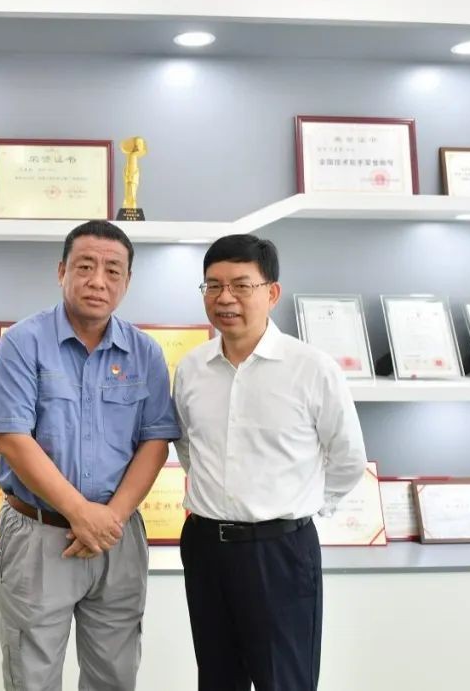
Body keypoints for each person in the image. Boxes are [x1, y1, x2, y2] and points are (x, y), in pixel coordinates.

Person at [0, 219, 179, 691]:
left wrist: (109, 518)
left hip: (117, 535)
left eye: (113, 271)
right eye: (85, 266)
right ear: (61, 271)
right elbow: (12, 438)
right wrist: (80, 514)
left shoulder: (145, 352)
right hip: (40, 532)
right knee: (32, 676)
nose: (98, 281)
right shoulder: (23, 342)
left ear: (127, 281)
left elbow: (155, 441)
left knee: (115, 676)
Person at [173, 234, 367, 691]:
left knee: (284, 681)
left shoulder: (311, 368)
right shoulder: (191, 368)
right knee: (217, 679)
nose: (225, 298)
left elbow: (348, 458)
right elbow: (187, 447)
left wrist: (304, 509)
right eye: (213, 285)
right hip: (204, 546)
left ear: (272, 292)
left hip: (280, 552)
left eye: (241, 285)